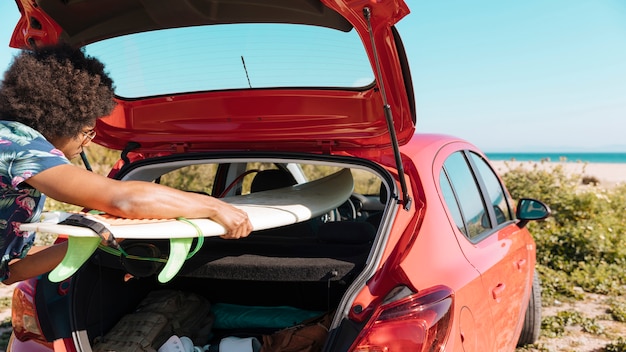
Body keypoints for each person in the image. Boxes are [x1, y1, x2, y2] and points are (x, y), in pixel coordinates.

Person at [0, 44, 253, 285]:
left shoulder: (14, 150)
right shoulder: (18, 145)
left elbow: (12, 270)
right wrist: (214, 206)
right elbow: (123, 199)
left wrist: (99, 239)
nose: (88, 142)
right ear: (60, 118)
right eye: (87, 131)